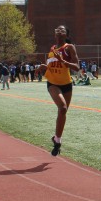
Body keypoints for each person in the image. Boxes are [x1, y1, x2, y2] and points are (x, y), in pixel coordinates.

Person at [40, 25, 80, 156]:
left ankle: (57, 140)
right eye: (57, 29)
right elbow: (51, 66)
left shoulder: (69, 47)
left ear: (66, 34)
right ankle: (58, 140)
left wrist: (63, 61)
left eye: (62, 30)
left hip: (66, 84)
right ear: (55, 34)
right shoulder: (52, 49)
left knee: (63, 112)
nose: (59, 31)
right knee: (62, 108)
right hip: (53, 83)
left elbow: (77, 67)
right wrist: (43, 67)